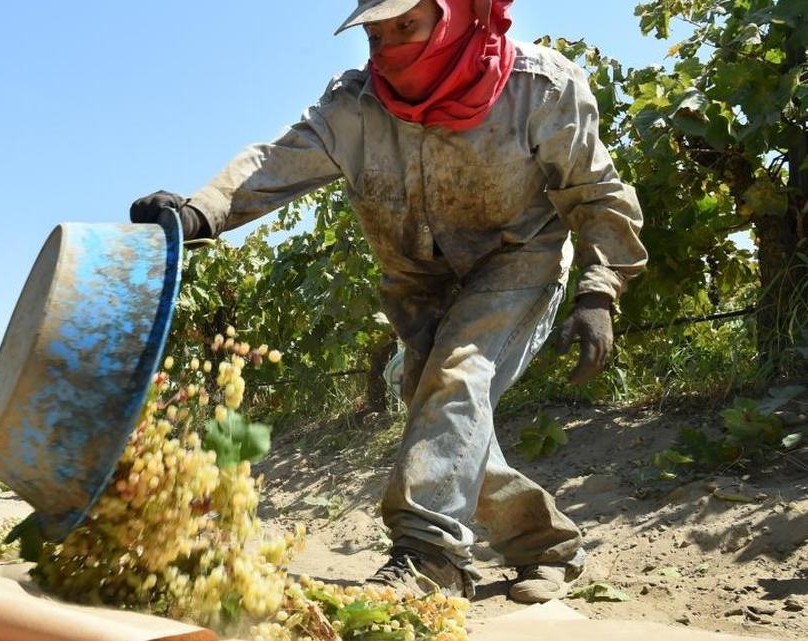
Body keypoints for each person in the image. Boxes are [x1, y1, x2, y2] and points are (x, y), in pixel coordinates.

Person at [130, 0, 647, 604]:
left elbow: (596, 192)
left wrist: (600, 289)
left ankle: (429, 559)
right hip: (414, 281)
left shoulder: (540, 87)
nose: (390, 47)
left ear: (459, 16)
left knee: (457, 382)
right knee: (440, 412)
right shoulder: (355, 107)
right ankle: (547, 546)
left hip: (516, 263)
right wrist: (200, 212)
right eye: (376, 32)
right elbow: (273, 165)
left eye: (407, 25)